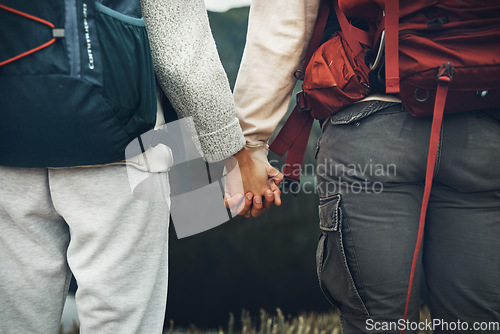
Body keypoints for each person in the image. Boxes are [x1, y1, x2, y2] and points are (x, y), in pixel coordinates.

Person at [0, 1, 281, 334]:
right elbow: (181, 52)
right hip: (121, 145)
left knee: (14, 319)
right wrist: (238, 158)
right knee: (119, 322)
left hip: (10, 142)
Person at [233, 1, 500, 333]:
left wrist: (250, 142)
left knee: (378, 323)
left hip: (369, 130)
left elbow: (284, 21)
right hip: (484, 133)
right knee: (477, 323)